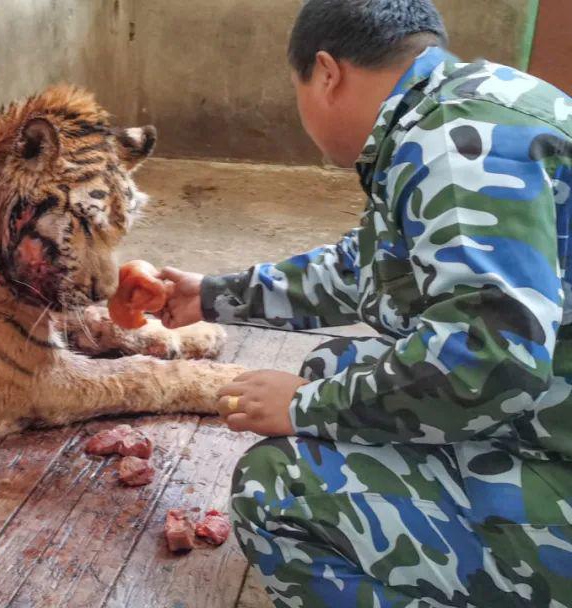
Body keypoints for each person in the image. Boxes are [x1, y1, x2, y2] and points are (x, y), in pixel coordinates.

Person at [154, 0, 572, 605]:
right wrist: (207, 295)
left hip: (556, 461)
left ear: (326, 72)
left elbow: (490, 359)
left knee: (277, 486)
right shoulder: (453, 109)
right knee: (334, 365)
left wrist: (306, 407)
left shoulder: (455, 148)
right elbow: (366, 269)